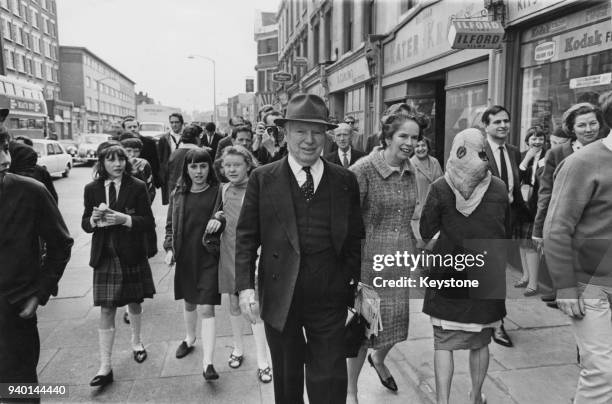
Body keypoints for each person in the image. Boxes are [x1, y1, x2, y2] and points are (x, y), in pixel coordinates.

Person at [235, 94, 364, 404]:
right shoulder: (263, 179)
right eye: (300, 131)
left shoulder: (345, 180)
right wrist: (245, 290)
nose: (309, 140)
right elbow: (246, 238)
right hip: (281, 297)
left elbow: (354, 241)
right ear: (285, 133)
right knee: (287, 380)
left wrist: (349, 288)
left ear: (327, 135)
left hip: (329, 298)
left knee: (330, 382)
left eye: (317, 132)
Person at [420, 128, 508, 404]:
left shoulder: (440, 187)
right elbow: (503, 226)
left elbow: (426, 229)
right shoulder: (499, 186)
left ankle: (443, 400)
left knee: (443, 342)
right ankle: (474, 397)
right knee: (481, 341)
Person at [347, 107, 424, 403]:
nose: (409, 142)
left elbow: (408, 218)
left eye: (415, 137)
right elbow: (348, 222)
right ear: (388, 136)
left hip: (398, 262)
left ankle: (379, 360)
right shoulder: (363, 170)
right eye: (403, 135)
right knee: (363, 333)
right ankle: (351, 390)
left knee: (396, 325)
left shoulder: (410, 169)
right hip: (368, 265)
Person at [543, 91, 612, 404]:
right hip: (590, 285)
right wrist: (566, 288)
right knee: (601, 372)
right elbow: (557, 228)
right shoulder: (581, 162)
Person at [0, 129, 73, 391]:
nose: (4, 159)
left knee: (18, 391)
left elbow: (61, 244)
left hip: (13, 311)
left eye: (5, 148)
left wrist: (38, 294)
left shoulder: (31, 191)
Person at [82, 145, 156, 388]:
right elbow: (85, 222)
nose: (117, 165)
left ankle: (137, 342)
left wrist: (124, 219)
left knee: (135, 301)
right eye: (111, 160)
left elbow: (148, 222)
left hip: (131, 253)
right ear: (102, 163)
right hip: (105, 255)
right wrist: (92, 220)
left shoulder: (137, 186)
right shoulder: (91, 189)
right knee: (106, 309)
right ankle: (105, 366)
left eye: (121, 160)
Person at [532, 103, 603, 305]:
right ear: (571, 129)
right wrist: (539, 230)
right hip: (567, 221)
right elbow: (545, 194)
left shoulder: (607, 150)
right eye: (582, 125)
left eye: (593, 123)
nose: (588, 129)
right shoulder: (556, 154)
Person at [163, 148, 224, 380]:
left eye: (203, 166)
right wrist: (169, 248)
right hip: (186, 257)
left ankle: (208, 363)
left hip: (209, 257)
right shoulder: (178, 193)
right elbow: (170, 225)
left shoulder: (218, 191)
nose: (198, 171)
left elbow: (226, 213)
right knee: (189, 302)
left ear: (210, 168)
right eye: (193, 166)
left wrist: (219, 218)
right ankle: (190, 338)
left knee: (206, 308)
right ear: (186, 169)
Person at [216, 145, 272, 383]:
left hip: (253, 255)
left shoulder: (258, 187)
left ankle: (263, 361)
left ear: (248, 165)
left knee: (254, 307)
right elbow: (218, 214)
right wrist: (216, 217)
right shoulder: (224, 189)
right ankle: (238, 348)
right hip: (229, 254)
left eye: (236, 165)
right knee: (233, 303)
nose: (231, 169)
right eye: (227, 165)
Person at [482, 105, 527, 348]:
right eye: (497, 122)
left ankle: (492, 317)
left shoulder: (513, 151)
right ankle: (497, 323)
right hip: (484, 222)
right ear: (486, 126)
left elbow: (515, 188)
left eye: (506, 121)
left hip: (508, 222)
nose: (503, 125)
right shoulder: (476, 151)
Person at [515, 126, 547, 296]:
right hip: (523, 205)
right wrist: (526, 159)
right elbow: (516, 178)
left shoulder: (548, 156)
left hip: (537, 205)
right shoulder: (521, 155)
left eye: (540, 138)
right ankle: (526, 276)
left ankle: (533, 284)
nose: (537, 141)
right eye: (533, 138)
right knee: (522, 243)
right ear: (527, 140)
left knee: (532, 245)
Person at [410, 136, 443, 246]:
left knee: (433, 247)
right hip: (418, 213)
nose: (420, 148)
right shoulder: (409, 164)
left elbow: (442, 184)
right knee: (420, 247)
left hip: (435, 211)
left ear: (428, 147)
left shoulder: (435, 162)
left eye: (423, 145)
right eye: (417, 146)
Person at [122, 117, 161, 190]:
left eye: (135, 126)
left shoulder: (150, 143)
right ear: (124, 129)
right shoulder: (119, 144)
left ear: (138, 127)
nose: (133, 129)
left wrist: (155, 180)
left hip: (145, 178)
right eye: (129, 127)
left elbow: (155, 162)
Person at [166, 125, 203, 200]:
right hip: (196, 194)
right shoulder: (201, 154)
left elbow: (169, 175)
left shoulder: (174, 153)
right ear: (197, 138)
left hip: (176, 194)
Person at [158, 113, 185, 205]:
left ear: (181, 123)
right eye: (172, 122)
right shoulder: (164, 138)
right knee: (172, 201)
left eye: (177, 122)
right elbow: (160, 159)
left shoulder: (187, 137)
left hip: (184, 171)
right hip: (170, 174)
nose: (174, 125)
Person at [120, 136, 155, 203]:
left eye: (136, 151)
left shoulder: (144, 164)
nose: (132, 154)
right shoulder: (118, 165)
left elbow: (151, 188)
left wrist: (146, 204)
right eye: (128, 151)